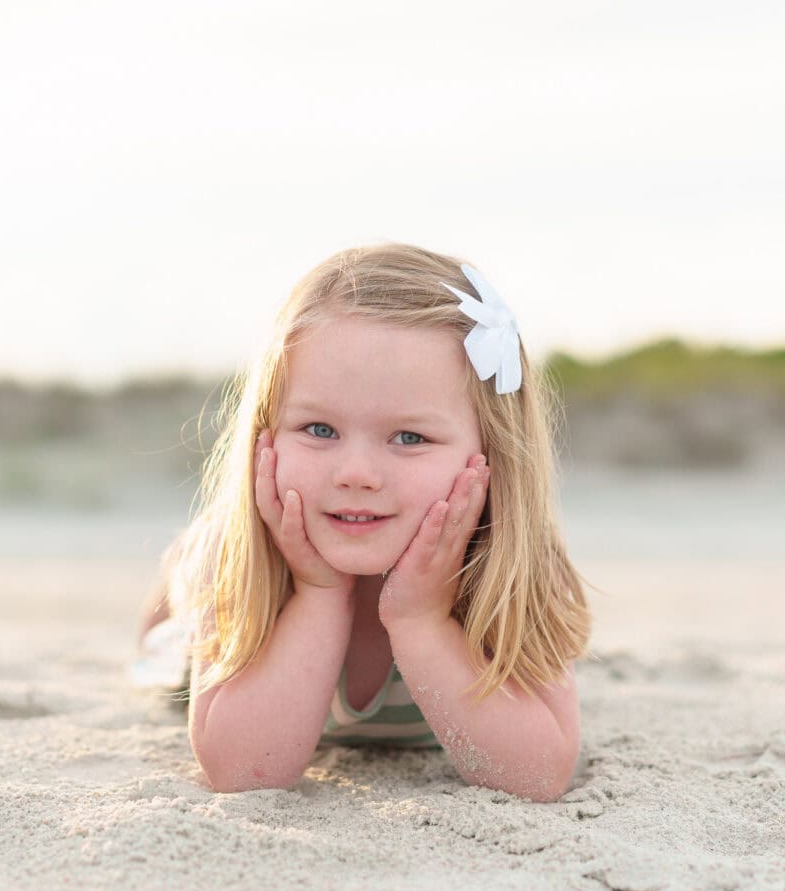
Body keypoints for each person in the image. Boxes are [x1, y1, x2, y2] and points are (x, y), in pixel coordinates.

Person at [133, 242, 591, 802]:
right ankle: (174, 575)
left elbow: (538, 777)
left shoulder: (517, 569)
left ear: (493, 455)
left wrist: (422, 620)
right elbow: (245, 773)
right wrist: (318, 592)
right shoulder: (234, 562)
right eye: (320, 430)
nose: (357, 474)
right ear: (265, 435)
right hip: (214, 604)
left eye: (409, 438)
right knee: (167, 623)